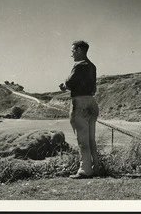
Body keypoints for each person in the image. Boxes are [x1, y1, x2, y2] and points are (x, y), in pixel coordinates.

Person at [59, 40, 99, 179]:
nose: (72, 54)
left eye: (73, 51)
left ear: (80, 50)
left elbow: (69, 83)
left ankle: (85, 170)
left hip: (80, 103)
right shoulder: (92, 66)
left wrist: (64, 85)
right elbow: (94, 88)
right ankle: (97, 167)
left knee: (82, 139)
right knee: (91, 138)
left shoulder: (78, 65)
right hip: (91, 102)